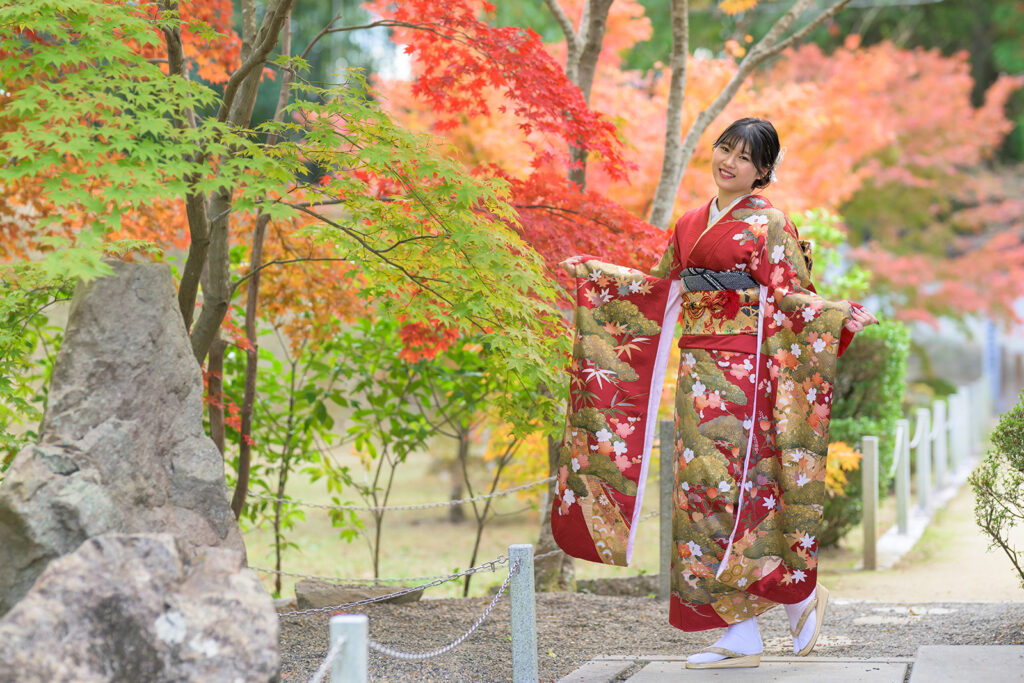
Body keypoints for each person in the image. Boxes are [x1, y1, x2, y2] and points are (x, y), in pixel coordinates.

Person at [552, 117, 876, 669]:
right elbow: (658, 291)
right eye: (725, 149)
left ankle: (797, 595)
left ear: (763, 172)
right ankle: (741, 635)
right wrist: (596, 274)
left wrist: (837, 318)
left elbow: (793, 297)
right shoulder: (688, 223)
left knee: (743, 491)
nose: (729, 161)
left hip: (748, 374)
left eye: (745, 158)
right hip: (698, 369)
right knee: (698, 496)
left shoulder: (770, 223)